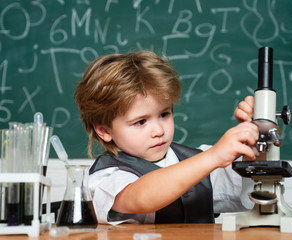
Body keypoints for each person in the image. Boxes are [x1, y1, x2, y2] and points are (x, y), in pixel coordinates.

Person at [74, 50, 259, 224]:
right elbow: (141, 197)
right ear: (104, 131)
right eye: (140, 122)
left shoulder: (199, 160)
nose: (158, 131)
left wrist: (256, 133)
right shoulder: (104, 177)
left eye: (164, 115)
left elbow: (254, 190)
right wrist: (212, 157)